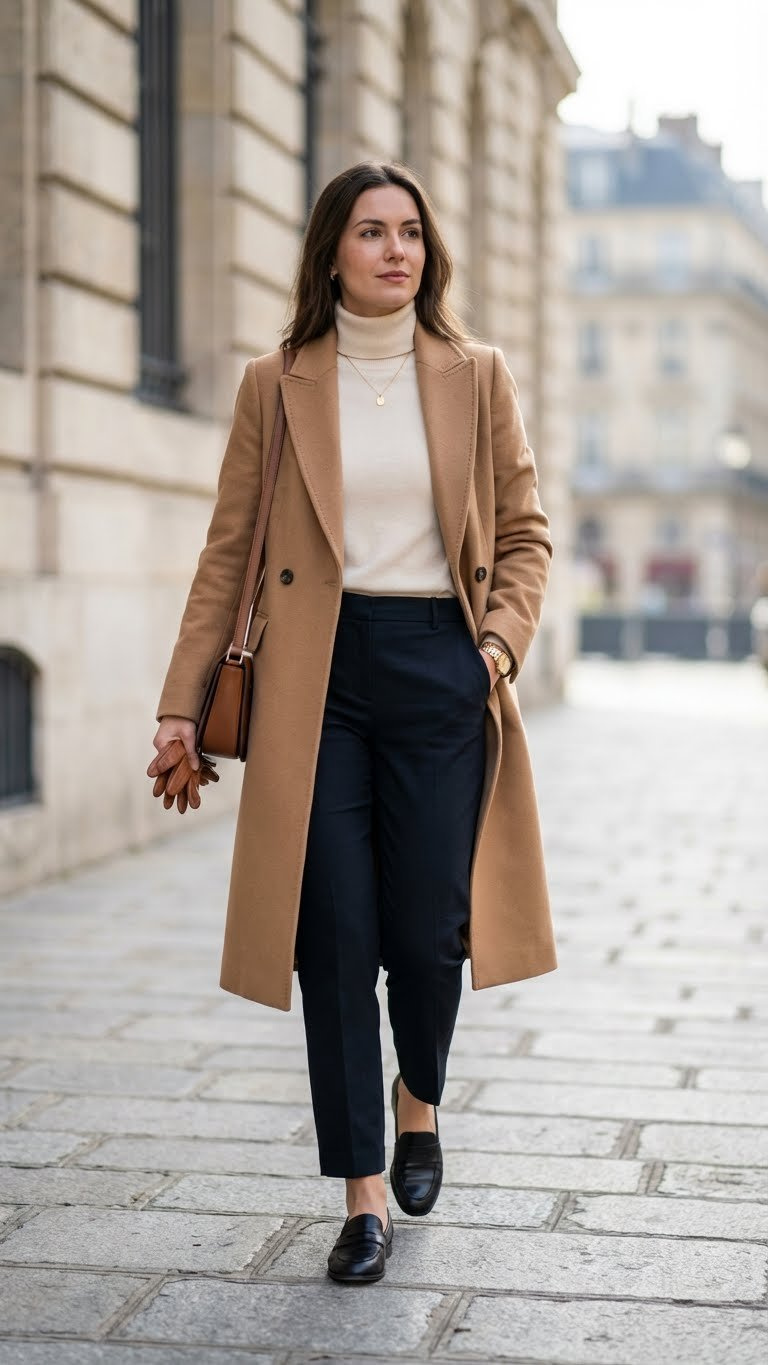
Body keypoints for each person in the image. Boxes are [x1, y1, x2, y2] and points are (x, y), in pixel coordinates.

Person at [153, 160, 557, 1284]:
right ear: (331, 249)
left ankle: (417, 1098)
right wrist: (180, 705)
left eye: (412, 234)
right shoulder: (276, 382)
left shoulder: (476, 375)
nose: (395, 251)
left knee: (428, 934)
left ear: (431, 254)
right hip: (311, 684)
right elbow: (227, 556)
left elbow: (525, 534)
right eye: (372, 232)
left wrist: (494, 647)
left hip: (440, 664)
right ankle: (362, 1193)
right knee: (334, 939)